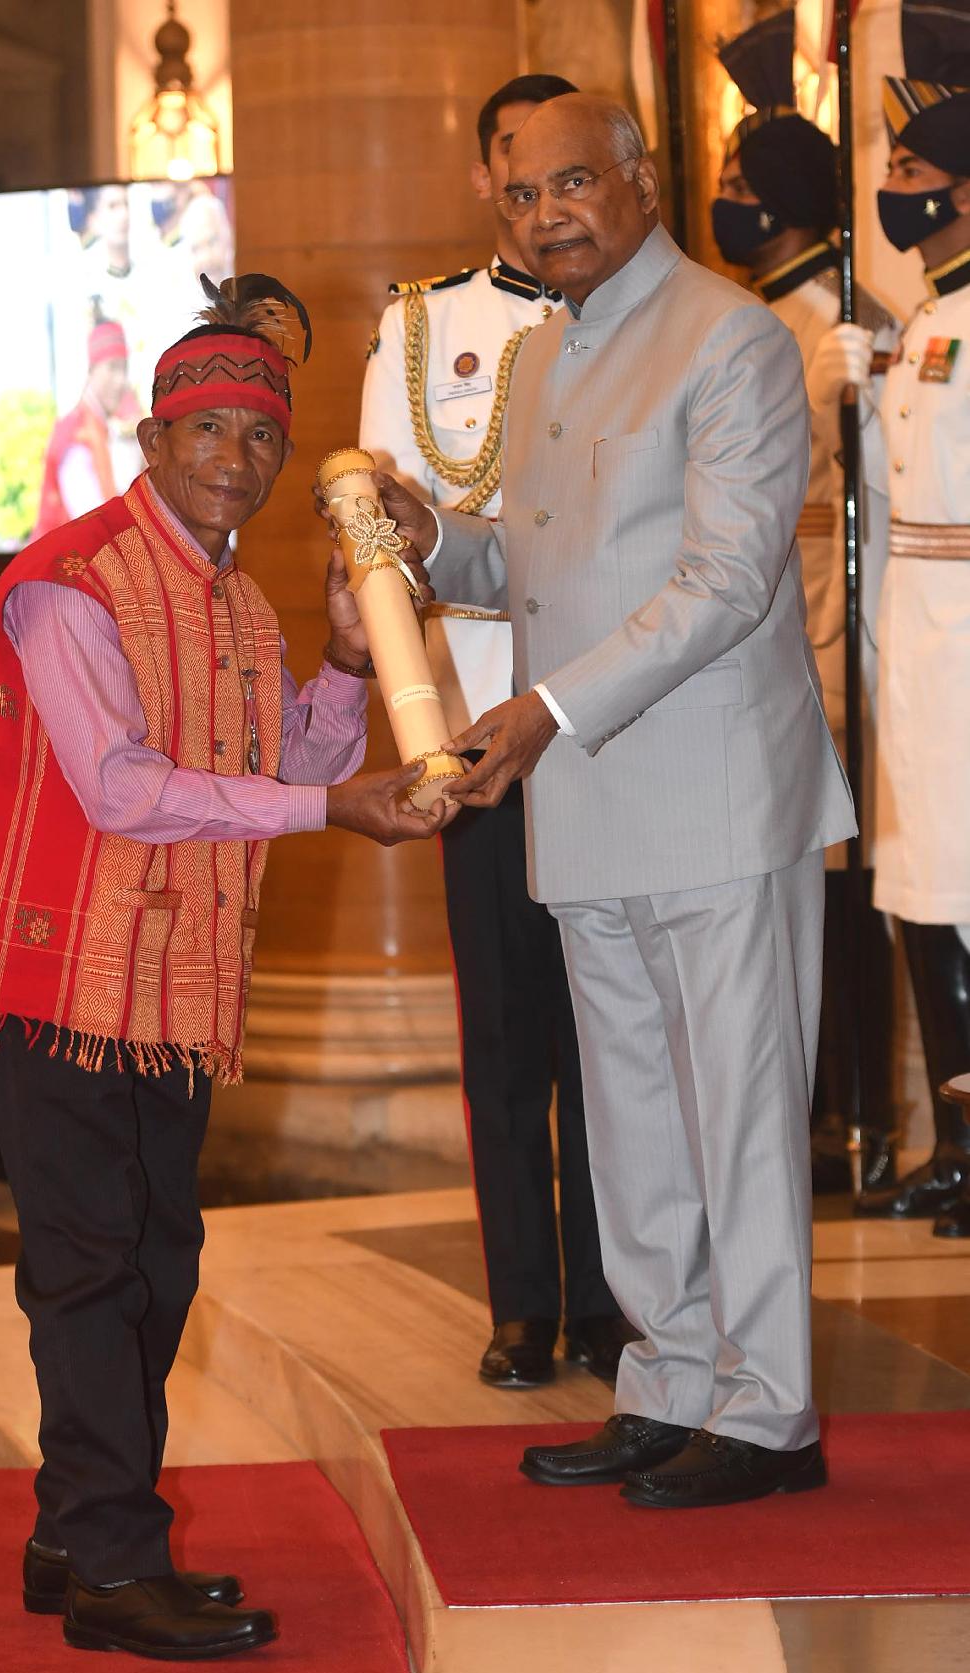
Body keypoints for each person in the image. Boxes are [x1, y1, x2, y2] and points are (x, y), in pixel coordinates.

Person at [0, 276, 454, 1660]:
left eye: (260, 434)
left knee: (156, 1262)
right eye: (207, 427)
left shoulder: (238, 602)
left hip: (171, 987)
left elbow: (291, 762)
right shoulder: (69, 580)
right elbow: (120, 787)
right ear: (152, 438)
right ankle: (114, 1560)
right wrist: (334, 805)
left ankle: (72, 1531)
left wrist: (345, 660)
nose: (236, 454)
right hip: (61, 985)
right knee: (91, 1269)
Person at [373, 94, 856, 1506]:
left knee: (737, 1111)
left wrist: (544, 709)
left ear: (639, 179)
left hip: (712, 792)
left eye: (574, 183)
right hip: (581, 793)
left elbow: (725, 582)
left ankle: (768, 1414)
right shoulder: (540, 354)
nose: (547, 217)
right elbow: (538, 562)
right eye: (521, 197)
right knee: (633, 1111)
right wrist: (435, 539)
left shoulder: (730, 337)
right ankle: (667, 1379)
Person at [359, 72, 630, 1390]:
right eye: (519, 170)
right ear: (487, 179)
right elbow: (372, 534)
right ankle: (525, 1301)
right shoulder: (422, 330)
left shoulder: (642, 323)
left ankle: (616, 1297)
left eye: (570, 171)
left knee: (616, 1033)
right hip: (479, 737)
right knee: (507, 1038)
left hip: (617, 729)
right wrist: (414, 725)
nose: (543, 198)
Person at [714, 12, 899, 1192]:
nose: (727, 202)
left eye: (743, 185)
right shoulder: (763, 318)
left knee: (834, 897)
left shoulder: (818, 321)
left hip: (817, 638)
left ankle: (851, 1120)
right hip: (782, 631)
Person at [809, 4, 970, 1235]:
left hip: (963, 640)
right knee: (918, 885)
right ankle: (955, 1141)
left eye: (913, 169)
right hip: (910, 644)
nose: (896, 189)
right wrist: (851, 399)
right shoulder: (919, 322)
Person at [32, 318, 144, 538]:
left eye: (124, 369)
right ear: (90, 370)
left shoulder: (106, 431)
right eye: (112, 368)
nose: (120, 380)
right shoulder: (74, 435)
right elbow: (95, 526)